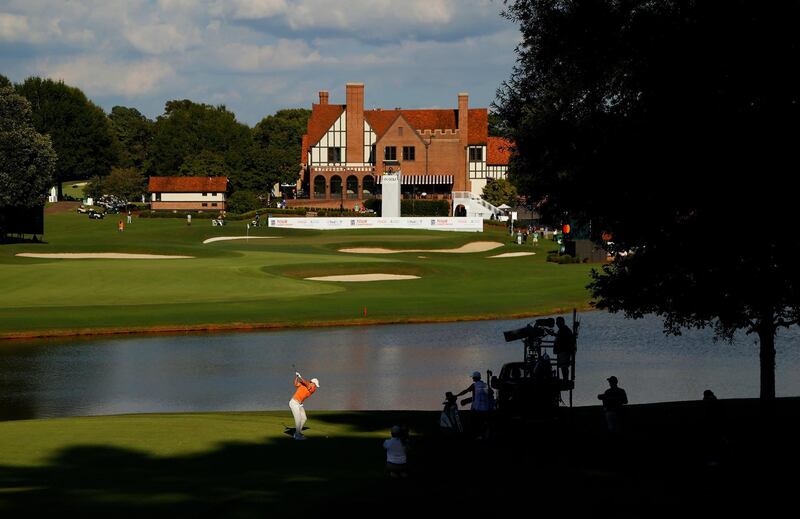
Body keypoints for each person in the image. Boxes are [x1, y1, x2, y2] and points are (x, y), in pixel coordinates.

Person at [454, 371, 493, 439]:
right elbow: (491, 393)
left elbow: (465, 391)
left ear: (475, 378)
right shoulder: (485, 385)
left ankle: (477, 435)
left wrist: (457, 395)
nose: (472, 379)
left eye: (473, 378)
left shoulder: (474, 385)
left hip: (477, 409)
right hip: (486, 409)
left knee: (474, 423)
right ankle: (484, 435)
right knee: (484, 423)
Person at [289, 372, 320, 440]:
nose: (316, 387)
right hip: (294, 402)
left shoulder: (312, 389)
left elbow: (307, 384)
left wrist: (300, 377)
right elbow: (296, 384)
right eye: (315, 385)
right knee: (298, 419)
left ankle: (298, 433)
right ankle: (297, 436)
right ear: (312, 383)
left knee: (304, 418)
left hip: (299, 404)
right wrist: (297, 377)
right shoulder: (306, 384)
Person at [553, 316, 576, 380]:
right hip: (563, 351)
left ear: (561, 322)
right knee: (563, 366)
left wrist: (553, 334)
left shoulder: (564, 330)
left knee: (564, 366)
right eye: (556, 323)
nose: (557, 324)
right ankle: (565, 379)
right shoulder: (564, 329)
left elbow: (561, 338)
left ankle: (565, 379)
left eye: (557, 322)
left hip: (564, 351)